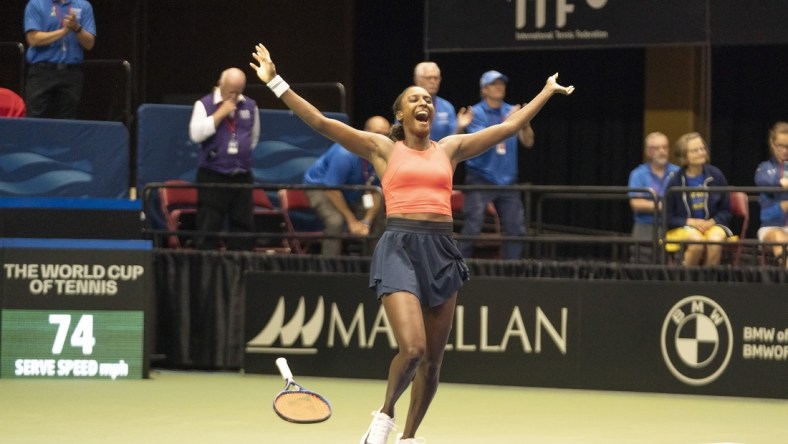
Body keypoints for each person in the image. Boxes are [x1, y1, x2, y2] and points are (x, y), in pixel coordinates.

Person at [251, 43, 573, 444]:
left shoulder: (451, 148)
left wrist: (545, 91)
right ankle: (384, 415)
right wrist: (275, 81)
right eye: (414, 99)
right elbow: (318, 121)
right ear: (401, 115)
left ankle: (409, 437)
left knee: (434, 363)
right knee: (415, 348)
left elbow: (506, 128)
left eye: (427, 99)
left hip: (442, 251)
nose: (424, 102)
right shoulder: (382, 148)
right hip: (400, 247)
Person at [458, 70, 535, 260]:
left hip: (508, 180)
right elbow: (485, 141)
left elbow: (529, 142)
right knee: (473, 227)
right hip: (480, 177)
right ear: (484, 89)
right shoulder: (475, 113)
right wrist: (511, 121)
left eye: (502, 83)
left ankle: (511, 272)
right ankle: (456, 270)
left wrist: (524, 123)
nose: (500, 87)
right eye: (494, 84)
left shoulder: (513, 111)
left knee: (516, 229)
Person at [188, 67, 260, 250]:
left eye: (239, 92)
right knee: (209, 227)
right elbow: (196, 135)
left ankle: (241, 270)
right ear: (221, 85)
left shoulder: (250, 106)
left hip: (241, 176)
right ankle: (206, 272)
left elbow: (254, 137)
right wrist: (220, 113)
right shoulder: (204, 104)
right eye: (231, 91)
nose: (234, 96)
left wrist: (238, 155)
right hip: (213, 175)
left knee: (243, 228)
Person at [304, 116, 390, 256]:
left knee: (379, 220)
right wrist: (353, 221)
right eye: (378, 133)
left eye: (386, 135)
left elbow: (377, 192)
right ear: (365, 132)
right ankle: (329, 270)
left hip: (353, 189)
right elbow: (331, 189)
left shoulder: (383, 155)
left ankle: (373, 269)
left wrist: (366, 221)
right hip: (321, 187)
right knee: (336, 221)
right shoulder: (345, 153)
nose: (382, 139)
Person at [664, 132, 733, 266]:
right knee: (697, 243)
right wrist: (691, 222)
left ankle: (708, 283)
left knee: (715, 241)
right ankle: (687, 283)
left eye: (703, 148)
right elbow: (668, 217)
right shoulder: (675, 181)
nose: (701, 152)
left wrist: (712, 221)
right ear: (684, 156)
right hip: (686, 226)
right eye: (695, 150)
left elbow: (726, 210)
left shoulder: (716, 175)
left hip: (713, 225)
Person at [23, 0, 96, 119]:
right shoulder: (36, 4)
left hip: (71, 73)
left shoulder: (84, 5)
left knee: (66, 122)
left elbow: (89, 44)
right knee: (36, 120)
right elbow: (33, 39)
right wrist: (63, 32)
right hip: (42, 72)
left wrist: (77, 28)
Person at [627, 131, 680, 262]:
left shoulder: (678, 172)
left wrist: (651, 204)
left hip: (672, 224)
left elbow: (683, 202)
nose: (662, 151)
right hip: (645, 224)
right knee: (641, 261)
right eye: (657, 148)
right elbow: (636, 204)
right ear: (648, 152)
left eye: (665, 147)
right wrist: (664, 206)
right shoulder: (638, 174)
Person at [754, 121, 788, 267]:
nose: (785, 150)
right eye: (781, 146)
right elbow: (764, 182)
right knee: (779, 237)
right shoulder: (764, 169)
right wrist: (781, 184)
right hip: (771, 227)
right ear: (772, 144)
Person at [412, 62, 472, 141]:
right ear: (417, 80)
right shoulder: (408, 104)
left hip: (441, 152)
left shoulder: (447, 107)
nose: (433, 81)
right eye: (429, 78)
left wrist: (459, 127)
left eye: (436, 78)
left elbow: (452, 140)